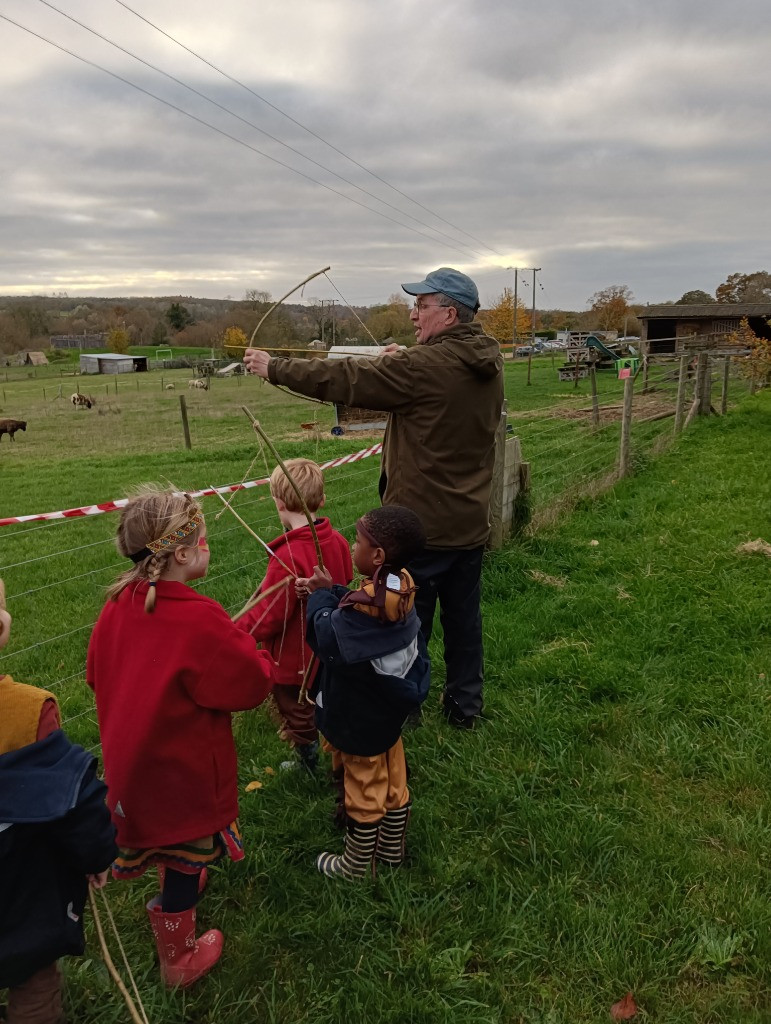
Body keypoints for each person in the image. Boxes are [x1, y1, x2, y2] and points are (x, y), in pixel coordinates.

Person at [244, 267, 504, 728]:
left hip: (420, 532)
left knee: (406, 624)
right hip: (468, 523)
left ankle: (404, 708)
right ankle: (466, 709)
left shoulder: (423, 367)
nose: (412, 314)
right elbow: (436, 381)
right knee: (465, 624)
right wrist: (408, 357)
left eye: (421, 306)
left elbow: (348, 377)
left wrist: (276, 367)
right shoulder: (483, 358)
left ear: (448, 312)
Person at [86, 487, 274, 988]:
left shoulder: (116, 606)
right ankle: (179, 956)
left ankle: (176, 882)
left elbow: (94, 674)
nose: (209, 546)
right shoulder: (199, 619)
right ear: (184, 553)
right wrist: (253, 655)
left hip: (133, 764)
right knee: (187, 839)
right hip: (182, 771)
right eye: (205, 539)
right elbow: (249, 685)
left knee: (164, 833)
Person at [0, 578, 117, 1024]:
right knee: (33, 986)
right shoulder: (30, 711)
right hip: (21, 890)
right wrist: (96, 855)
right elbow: (72, 802)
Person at [296, 505, 430, 880]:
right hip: (388, 714)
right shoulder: (398, 586)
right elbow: (360, 602)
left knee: (364, 786)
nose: (352, 546)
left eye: (358, 541)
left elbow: (328, 635)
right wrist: (332, 590)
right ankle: (390, 851)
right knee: (393, 774)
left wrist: (321, 600)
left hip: (361, 717)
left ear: (377, 556)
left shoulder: (362, 614)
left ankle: (355, 866)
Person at [236, 458, 353, 773]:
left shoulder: (288, 556)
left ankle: (309, 760)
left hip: (295, 655)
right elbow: (347, 580)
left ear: (277, 502)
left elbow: (270, 613)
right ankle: (331, 745)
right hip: (329, 646)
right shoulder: (338, 541)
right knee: (323, 696)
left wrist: (236, 633)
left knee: (297, 707)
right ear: (322, 500)